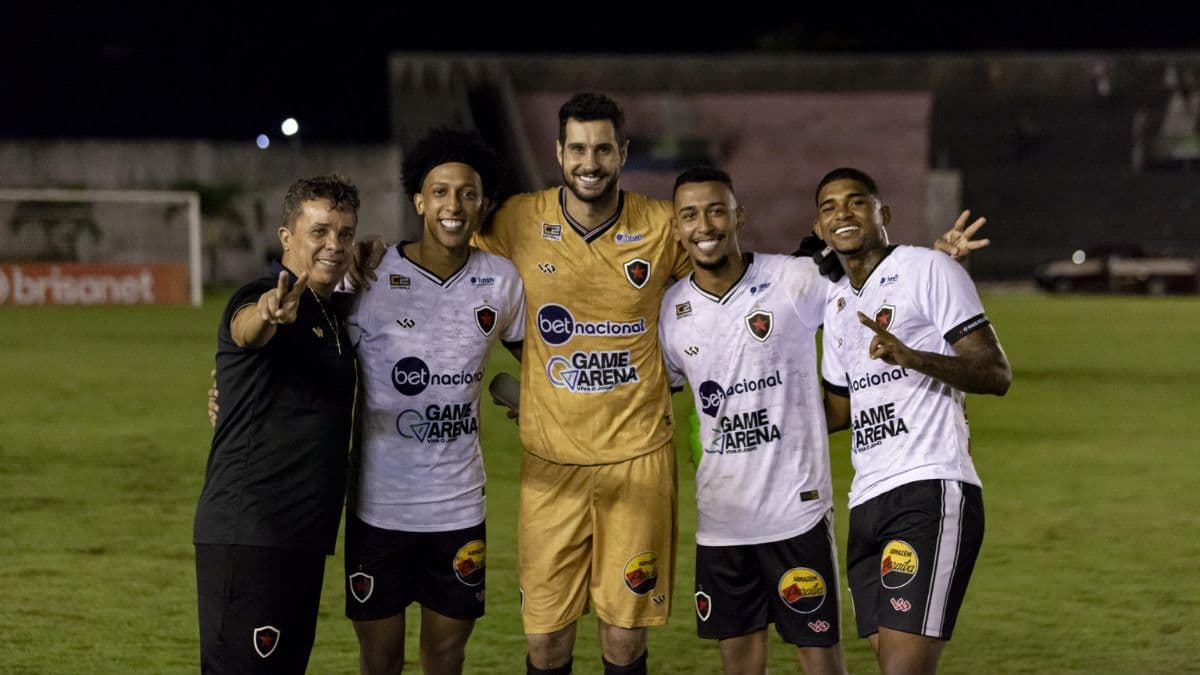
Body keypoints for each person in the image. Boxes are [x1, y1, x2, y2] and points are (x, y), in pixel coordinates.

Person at [468, 92, 692, 675]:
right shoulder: (517, 219)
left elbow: (731, 285)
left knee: (623, 641)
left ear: (622, 152)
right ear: (558, 152)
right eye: (576, 149)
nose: (589, 162)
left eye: (602, 149)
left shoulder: (664, 225)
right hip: (551, 467)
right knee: (547, 643)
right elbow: (451, 272)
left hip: (637, 460)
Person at [814, 167, 1011, 675]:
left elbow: (995, 372)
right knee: (894, 661)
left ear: (884, 213)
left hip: (930, 486)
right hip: (867, 500)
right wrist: (763, 411)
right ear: (819, 228)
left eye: (857, 202)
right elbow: (840, 407)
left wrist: (913, 357)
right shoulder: (837, 302)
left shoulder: (930, 269)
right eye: (830, 206)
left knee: (902, 668)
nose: (843, 213)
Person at [343, 128, 524, 674]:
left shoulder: (501, 280)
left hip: (459, 508)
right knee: (382, 659)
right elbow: (312, 358)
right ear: (419, 201)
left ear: (483, 205)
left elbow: (542, 364)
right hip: (380, 509)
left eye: (468, 194)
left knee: (445, 656)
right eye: (440, 192)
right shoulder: (370, 275)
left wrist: (535, 400)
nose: (454, 205)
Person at [657, 167, 848, 675]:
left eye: (717, 210)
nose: (705, 225)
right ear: (676, 228)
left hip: (797, 513)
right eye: (690, 214)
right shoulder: (671, 312)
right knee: (740, 666)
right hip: (722, 523)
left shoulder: (793, 279)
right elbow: (660, 396)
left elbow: (870, 300)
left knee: (821, 662)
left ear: (739, 215)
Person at [194, 175, 360, 673]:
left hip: (304, 537)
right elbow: (248, 327)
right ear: (286, 237)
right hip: (250, 533)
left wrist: (371, 254)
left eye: (346, 233)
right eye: (320, 232)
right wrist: (268, 314)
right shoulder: (264, 294)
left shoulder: (333, 315)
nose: (334, 244)